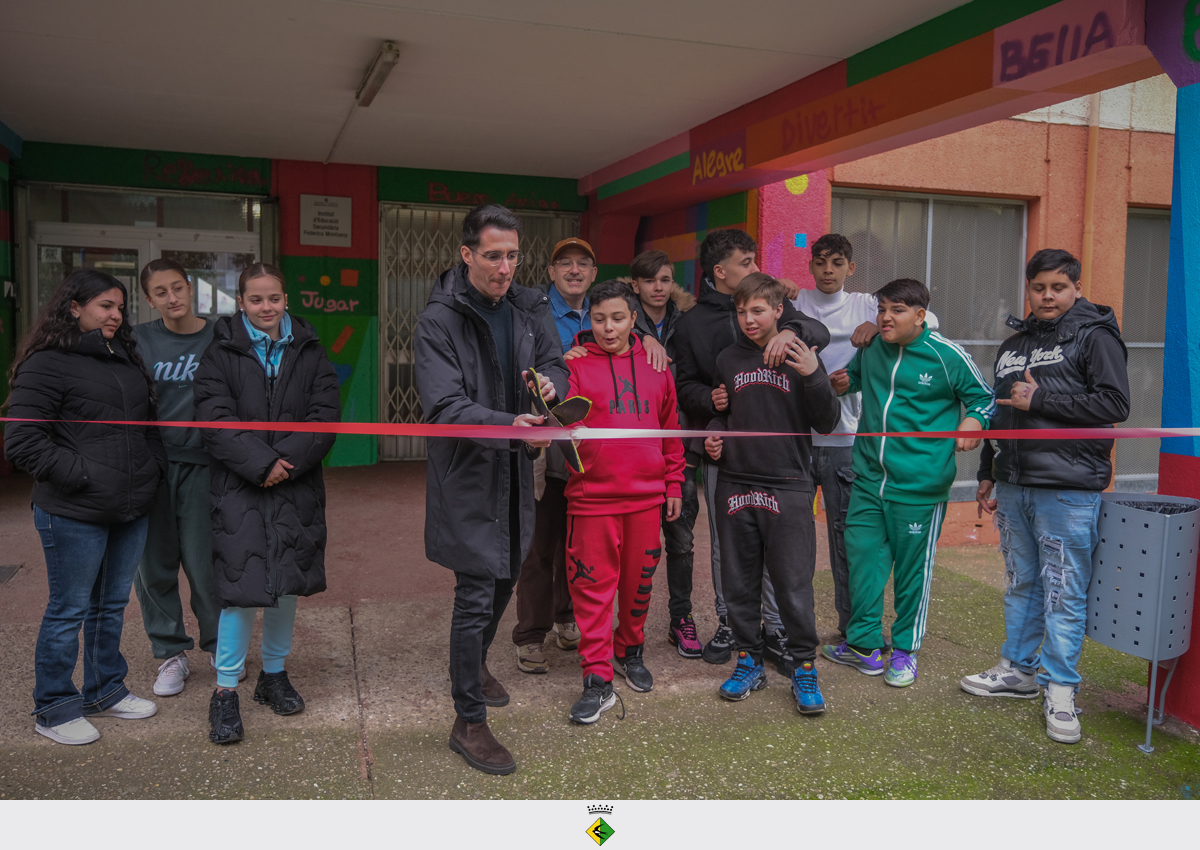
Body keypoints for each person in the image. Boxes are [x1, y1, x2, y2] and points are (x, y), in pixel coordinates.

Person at [415, 204, 567, 775]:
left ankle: (473, 663)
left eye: (512, 256)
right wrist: (509, 425)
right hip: (468, 473)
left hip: (517, 468)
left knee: (506, 573)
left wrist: (553, 384)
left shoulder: (529, 307)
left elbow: (557, 363)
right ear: (467, 254)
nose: (505, 268)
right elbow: (445, 405)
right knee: (476, 591)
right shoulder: (438, 321)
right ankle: (468, 720)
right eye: (494, 256)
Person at [961, 249, 1129, 745]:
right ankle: (1018, 670)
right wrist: (988, 471)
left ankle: (1061, 688)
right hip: (1014, 485)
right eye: (1039, 287)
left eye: (1058, 287)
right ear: (1028, 289)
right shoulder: (1013, 344)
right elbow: (998, 413)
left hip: (1068, 488)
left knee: (1062, 591)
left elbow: (1115, 402)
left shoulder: (1095, 336)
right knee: (1021, 583)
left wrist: (1044, 400)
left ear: (1076, 287)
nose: (1048, 296)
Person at [5, 268, 166, 745]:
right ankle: (54, 707)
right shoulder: (46, 363)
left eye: (119, 307)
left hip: (131, 505)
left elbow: (145, 427)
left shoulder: (124, 358)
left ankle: (104, 691)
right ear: (74, 308)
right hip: (73, 509)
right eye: (105, 306)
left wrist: (150, 469)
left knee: (111, 604)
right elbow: (22, 440)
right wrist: (84, 475)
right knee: (68, 608)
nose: (116, 315)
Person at [193, 262, 341, 745]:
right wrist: (261, 464)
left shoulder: (310, 349)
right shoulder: (220, 352)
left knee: (287, 586)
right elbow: (214, 418)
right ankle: (225, 692)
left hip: (296, 485)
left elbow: (325, 414)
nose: (266, 308)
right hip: (240, 486)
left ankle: (273, 676)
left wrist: (288, 462)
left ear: (284, 299)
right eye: (255, 300)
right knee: (241, 589)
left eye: (273, 298)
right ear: (241, 302)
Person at [823, 279, 994, 688]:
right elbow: (860, 379)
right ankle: (863, 645)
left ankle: (904, 652)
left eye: (897, 310)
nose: (885, 317)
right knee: (863, 563)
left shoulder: (947, 355)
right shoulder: (874, 348)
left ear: (920, 316)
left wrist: (974, 421)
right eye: (881, 308)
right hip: (867, 480)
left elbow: (984, 397)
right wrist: (845, 380)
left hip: (919, 487)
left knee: (911, 573)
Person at [673, 228, 830, 671]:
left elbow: (814, 332)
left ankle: (779, 632)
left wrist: (791, 332)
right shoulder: (693, 325)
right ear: (720, 273)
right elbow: (686, 385)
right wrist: (713, 406)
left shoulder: (781, 316)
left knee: (785, 563)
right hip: (730, 459)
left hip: (785, 470)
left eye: (758, 311)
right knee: (732, 554)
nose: (756, 269)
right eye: (746, 262)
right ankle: (735, 630)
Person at [705, 273, 841, 714]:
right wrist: (712, 433)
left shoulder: (800, 351)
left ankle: (804, 667)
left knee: (793, 584)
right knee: (738, 583)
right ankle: (748, 660)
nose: (748, 319)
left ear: (779, 311)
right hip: (736, 481)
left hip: (789, 483)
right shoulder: (727, 358)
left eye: (758, 310)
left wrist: (814, 374)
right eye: (741, 311)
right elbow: (724, 416)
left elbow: (827, 422)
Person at [792, 234, 938, 640]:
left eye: (837, 263)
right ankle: (795, 630)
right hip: (798, 441)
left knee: (848, 545)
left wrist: (878, 323)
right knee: (795, 544)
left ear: (850, 268)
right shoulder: (797, 301)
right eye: (820, 262)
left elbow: (929, 320)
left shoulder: (865, 304)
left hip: (849, 443)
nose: (827, 270)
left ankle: (851, 629)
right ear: (810, 266)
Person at [562, 279, 684, 724]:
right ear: (587, 320)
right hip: (591, 499)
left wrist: (673, 484)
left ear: (635, 319)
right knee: (592, 590)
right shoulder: (573, 365)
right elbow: (554, 414)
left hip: (646, 501)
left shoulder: (657, 364)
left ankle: (629, 649)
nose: (607, 329)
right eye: (598, 319)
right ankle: (597, 678)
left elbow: (671, 429)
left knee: (637, 587)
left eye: (617, 318)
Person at [131, 258, 227, 697]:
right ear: (149, 299)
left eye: (177, 288)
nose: (172, 298)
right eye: (160, 293)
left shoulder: (220, 335)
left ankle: (219, 645)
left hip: (205, 466)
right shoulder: (138, 339)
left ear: (190, 288)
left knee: (206, 563)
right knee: (153, 565)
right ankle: (169, 652)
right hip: (151, 466)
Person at [510, 236, 596, 675]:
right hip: (545, 445)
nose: (575, 270)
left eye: (583, 264)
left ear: (594, 274)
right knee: (539, 545)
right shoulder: (535, 312)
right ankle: (529, 635)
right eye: (566, 263)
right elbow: (528, 366)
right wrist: (564, 363)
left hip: (588, 452)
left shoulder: (603, 312)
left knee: (575, 544)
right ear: (551, 271)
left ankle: (566, 619)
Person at [629, 250, 704, 658]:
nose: (658, 288)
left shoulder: (686, 320)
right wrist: (641, 338)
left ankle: (681, 618)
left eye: (665, 279)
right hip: (634, 447)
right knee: (631, 546)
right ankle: (625, 626)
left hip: (679, 444)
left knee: (681, 538)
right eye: (650, 280)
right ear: (635, 284)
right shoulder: (620, 319)